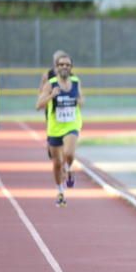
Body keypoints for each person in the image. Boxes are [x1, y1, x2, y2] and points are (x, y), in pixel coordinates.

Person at [36, 51, 84, 208]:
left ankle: (68, 168)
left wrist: (79, 100)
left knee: (69, 153)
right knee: (56, 163)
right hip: (55, 127)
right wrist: (51, 96)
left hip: (72, 124)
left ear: (71, 68)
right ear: (56, 67)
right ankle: (60, 192)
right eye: (61, 65)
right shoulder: (50, 84)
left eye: (67, 65)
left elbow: (81, 99)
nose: (65, 67)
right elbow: (38, 105)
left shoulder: (76, 82)